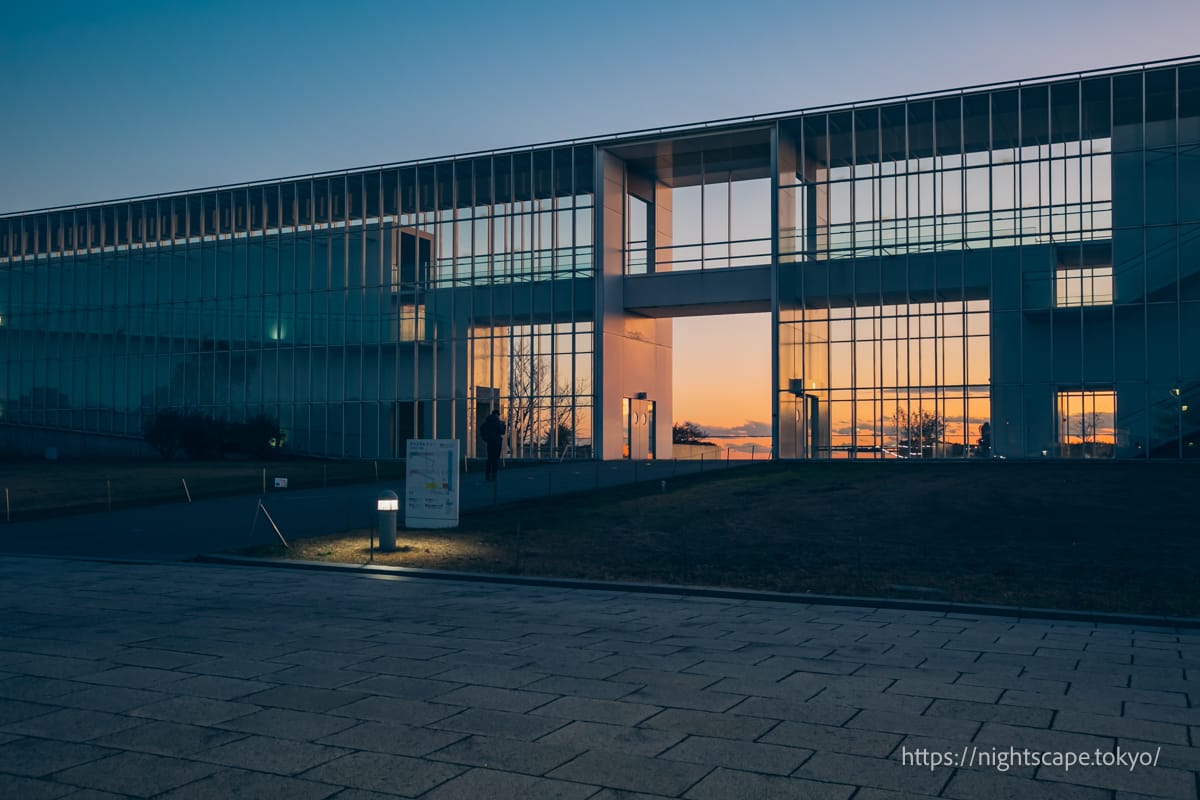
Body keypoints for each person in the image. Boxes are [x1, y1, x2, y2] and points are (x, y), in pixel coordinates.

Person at [480, 409, 507, 481]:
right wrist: (504, 425)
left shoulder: (487, 423)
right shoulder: (498, 422)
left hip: (490, 443)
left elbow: (482, 430)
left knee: (489, 459)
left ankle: (487, 475)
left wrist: (486, 439)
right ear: (497, 415)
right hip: (497, 442)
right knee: (495, 459)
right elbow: (502, 432)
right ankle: (494, 475)